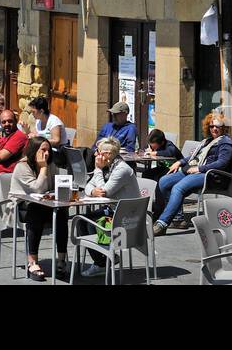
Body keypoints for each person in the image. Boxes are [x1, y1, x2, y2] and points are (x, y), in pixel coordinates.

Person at [152, 113, 232, 234]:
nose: (214, 129)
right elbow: (193, 157)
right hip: (194, 170)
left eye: (218, 126)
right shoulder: (207, 141)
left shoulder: (226, 143)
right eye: (211, 126)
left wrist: (199, 168)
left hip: (211, 175)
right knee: (164, 181)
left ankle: (162, 223)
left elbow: (221, 163)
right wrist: (180, 162)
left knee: (178, 187)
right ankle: (176, 218)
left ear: (223, 127)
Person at [76, 137, 141, 277]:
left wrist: (98, 169)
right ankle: (103, 260)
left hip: (127, 218)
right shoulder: (109, 166)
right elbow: (89, 185)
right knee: (82, 220)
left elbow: (104, 192)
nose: (95, 154)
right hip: (114, 211)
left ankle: (101, 262)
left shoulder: (121, 170)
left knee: (89, 223)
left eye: (98, 151)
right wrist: (92, 191)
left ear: (108, 154)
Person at [11, 136, 66, 280]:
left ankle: (62, 259)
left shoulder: (51, 164)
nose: (46, 153)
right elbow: (37, 189)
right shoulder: (22, 167)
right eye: (43, 150)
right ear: (34, 150)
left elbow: (54, 187)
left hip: (45, 203)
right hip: (22, 206)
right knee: (36, 210)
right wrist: (43, 168)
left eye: (48, 150)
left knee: (61, 212)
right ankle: (32, 262)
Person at [88, 101, 137, 167]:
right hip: (101, 160)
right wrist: (96, 151)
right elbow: (95, 145)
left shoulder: (130, 128)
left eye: (116, 114)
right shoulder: (107, 126)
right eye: (113, 114)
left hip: (119, 162)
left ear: (125, 114)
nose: (114, 116)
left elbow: (130, 149)